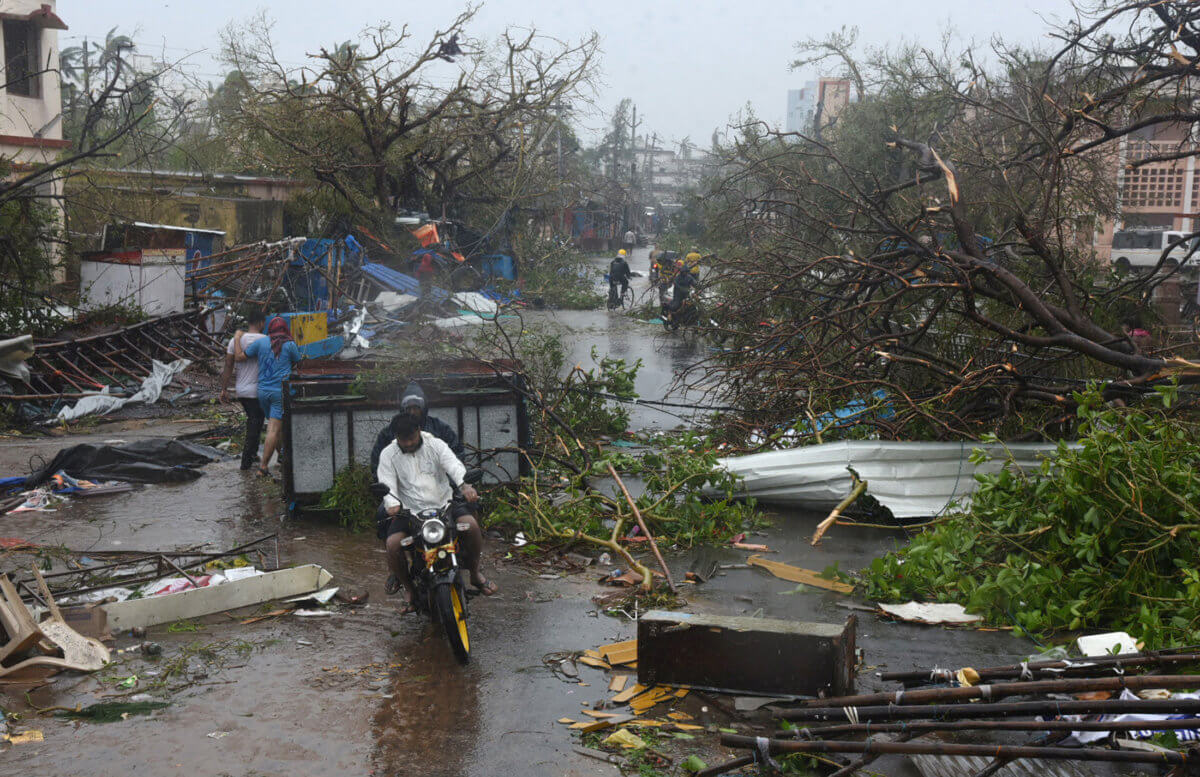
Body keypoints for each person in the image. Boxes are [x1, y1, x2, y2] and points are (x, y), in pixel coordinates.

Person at [376, 414, 497, 611]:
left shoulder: (436, 444)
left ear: (418, 431)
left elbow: (453, 465)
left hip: (445, 504)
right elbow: (386, 483)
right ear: (396, 436)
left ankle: (475, 574)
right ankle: (409, 589)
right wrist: (391, 504)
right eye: (402, 439)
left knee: (472, 526)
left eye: (411, 438)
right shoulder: (388, 454)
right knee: (392, 545)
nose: (407, 443)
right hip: (410, 512)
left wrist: (464, 485)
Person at [235, 316, 303, 477]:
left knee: (276, 428)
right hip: (280, 392)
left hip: (262, 392)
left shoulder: (261, 343)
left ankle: (283, 457)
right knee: (273, 429)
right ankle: (263, 467)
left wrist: (237, 338)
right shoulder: (290, 344)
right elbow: (299, 362)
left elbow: (239, 357)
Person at [369, 381, 464, 475]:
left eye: (416, 408)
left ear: (423, 409)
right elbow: (377, 462)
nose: (412, 412)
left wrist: (448, 483)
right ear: (403, 410)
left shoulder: (440, 428)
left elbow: (456, 455)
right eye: (409, 409)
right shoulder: (389, 432)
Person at [219, 311, 268, 470]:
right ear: (261, 323)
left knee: (255, 422)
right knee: (255, 423)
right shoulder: (265, 340)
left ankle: (252, 456)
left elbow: (228, 365)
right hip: (258, 390)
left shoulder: (235, 341)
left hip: (241, 390)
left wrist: (224, 389)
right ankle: (246, 462)